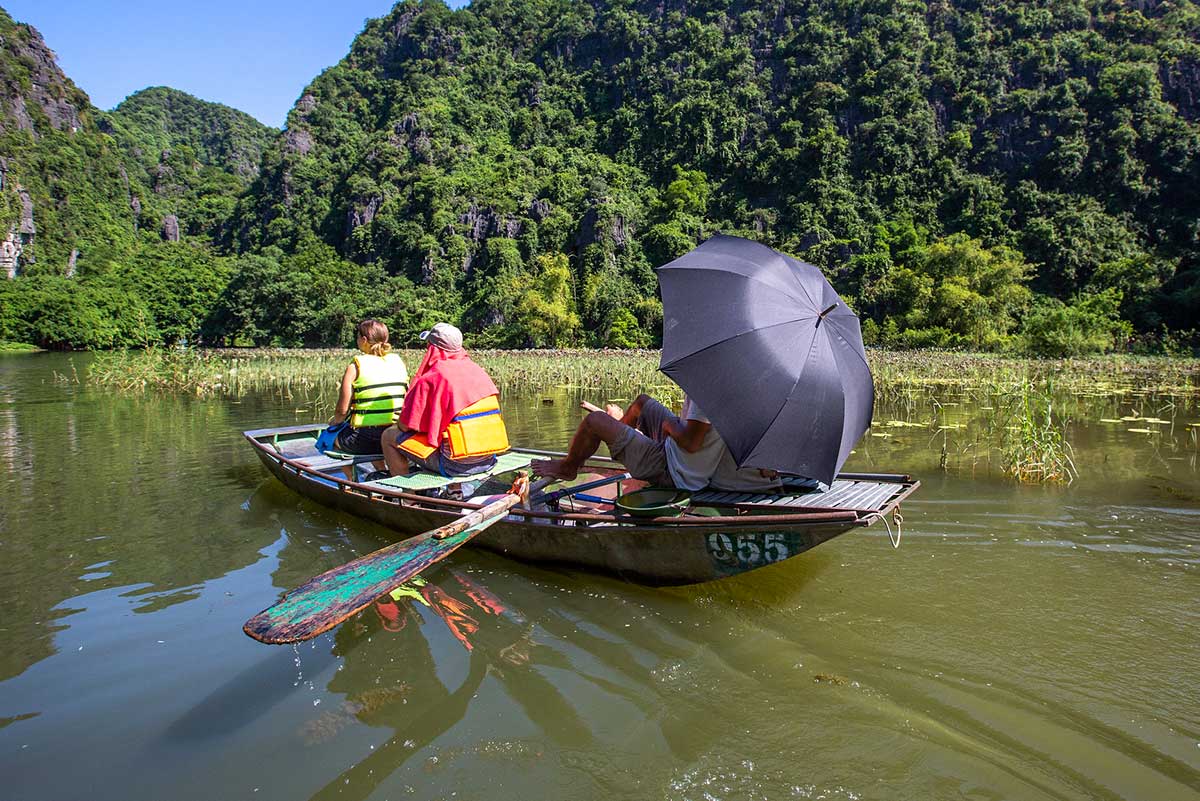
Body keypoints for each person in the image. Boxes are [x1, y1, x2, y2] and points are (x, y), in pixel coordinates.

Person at [532, 393, 780, 492]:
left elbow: (692, 443)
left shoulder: (709, 392)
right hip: (676, 452)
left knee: (595, 421)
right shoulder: (744, 389)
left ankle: (568, 468)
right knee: (642, 403)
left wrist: (671, 427)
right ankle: (621, 433)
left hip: (672, 468)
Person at [377, 323, 510, 478]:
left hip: (454, 465)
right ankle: (455, 491)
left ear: (431, 347)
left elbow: (406, 426)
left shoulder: (432, 377)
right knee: (449, 432)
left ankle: (408, 497)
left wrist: (398, 424)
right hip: (489, 459)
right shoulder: (477, 370)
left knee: (388, 436)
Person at [329, 319, 409, 455]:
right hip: (395, 433)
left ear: (364, 340)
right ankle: (379, 469)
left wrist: (333, 424)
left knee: (329, 438)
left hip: (363, 439)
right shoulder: (398, 362)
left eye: (358, 337)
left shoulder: (354, 367)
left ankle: (349, 477)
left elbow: (342, 412)